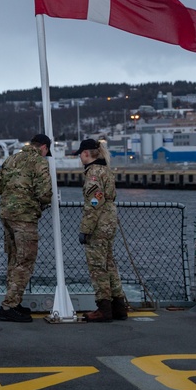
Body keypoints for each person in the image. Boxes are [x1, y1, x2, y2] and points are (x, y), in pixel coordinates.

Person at [0, 133, 53, 323]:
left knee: (13, 259)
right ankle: (9, 306)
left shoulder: (11, 159)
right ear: (44, 147)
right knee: (25, 260)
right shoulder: (39, 162)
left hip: (7, 215)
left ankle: (14, 300)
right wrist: (41, 202)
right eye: (46, 151)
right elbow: (45, 193)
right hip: (25, 217)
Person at [74, 138, 127, 322]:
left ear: (86, 153)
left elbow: (93, 204)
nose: (79, 157)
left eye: (80, 154)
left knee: (97, 267)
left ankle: (104, 308)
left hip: (99, 224)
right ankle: (119, 306)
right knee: (109, 264)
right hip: (109, 221)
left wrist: (85, 230)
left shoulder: (93, 173)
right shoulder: (106, 170)